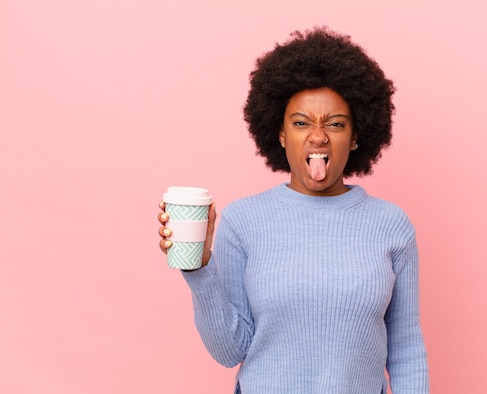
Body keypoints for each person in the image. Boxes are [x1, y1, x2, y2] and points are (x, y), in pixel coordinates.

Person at [158, 26, 429, 393]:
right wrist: (198, 268)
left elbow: (406, 349)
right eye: (301, 123)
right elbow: (229, 351)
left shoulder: (391, 226)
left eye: (335, 124)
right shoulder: (243, 221)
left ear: (356, 136)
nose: (318, 136)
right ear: (281, 133)